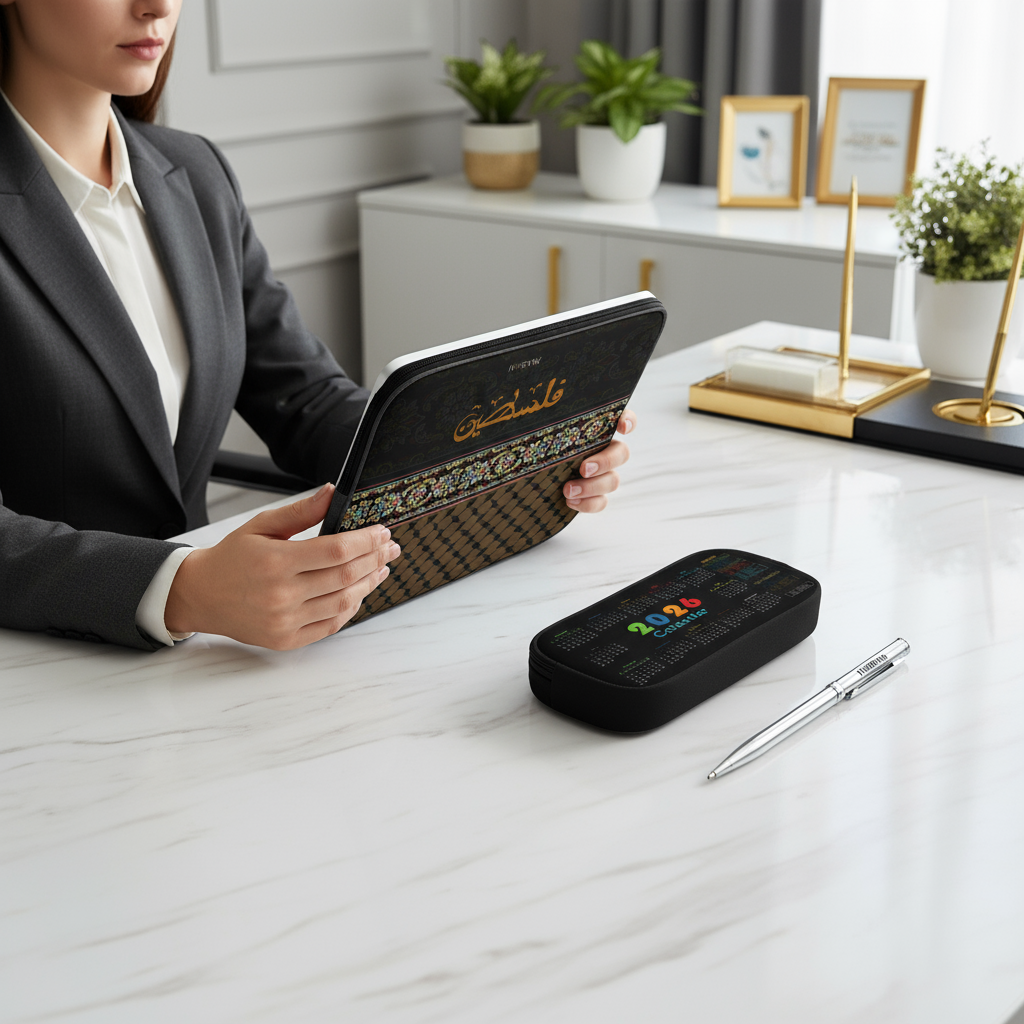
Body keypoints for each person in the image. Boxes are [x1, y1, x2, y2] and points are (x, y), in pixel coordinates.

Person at [0, 0, 637, 652]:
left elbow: (303, 397)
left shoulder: (193, 173)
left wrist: (502, 454)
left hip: (196, 659)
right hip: (40, 661)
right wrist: (179, 586)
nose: (158, 6)